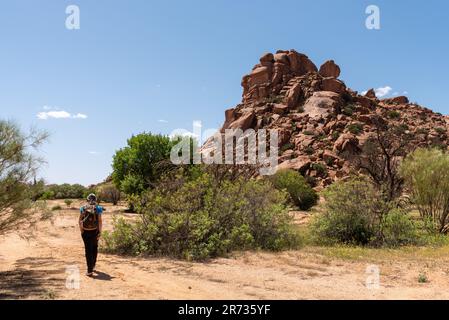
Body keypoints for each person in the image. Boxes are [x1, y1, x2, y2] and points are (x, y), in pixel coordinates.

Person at [79, 193, 104, 277]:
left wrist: (82, 230)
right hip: (95, 231)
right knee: (94, 247)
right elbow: (100, 221)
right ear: (95, 200)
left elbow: (80, 220)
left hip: (85, 232)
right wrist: (99, 232)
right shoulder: (98, 208)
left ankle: (89, 270)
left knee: (88, 250)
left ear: (87, 200)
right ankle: (92, 265)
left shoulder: (83, 208)